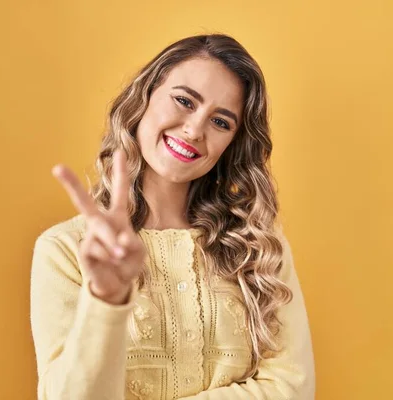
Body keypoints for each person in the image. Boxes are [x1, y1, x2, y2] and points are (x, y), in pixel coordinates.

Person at [30, 34, 315, 400]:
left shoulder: (257, 249)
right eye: (184, 101)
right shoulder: (65, 250)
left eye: (221, 122)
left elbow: (293, 389)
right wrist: (106, 299)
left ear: (232, 144)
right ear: (144, 97)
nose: (195, 130)